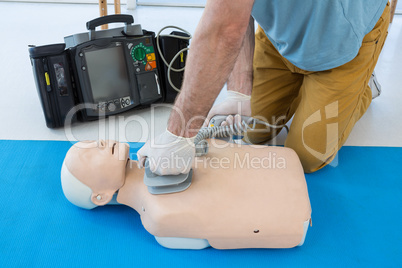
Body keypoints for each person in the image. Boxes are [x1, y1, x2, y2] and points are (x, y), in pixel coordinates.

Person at [138, 0, 390, 174]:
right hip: (282, 37)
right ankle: (308, 91)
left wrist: (179, 135)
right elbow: (235, 12)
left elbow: (224, 31)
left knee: (305, 158)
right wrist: (240, 92)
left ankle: (363, 86)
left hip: (344, 44)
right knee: (255, 133)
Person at [61, 140, 311, 249]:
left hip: (278, 168)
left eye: (94, 141)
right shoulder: (159, 216)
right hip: (291, 215)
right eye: (90, 153)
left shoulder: (159, 148)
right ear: (101, 197)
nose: (101, 143)